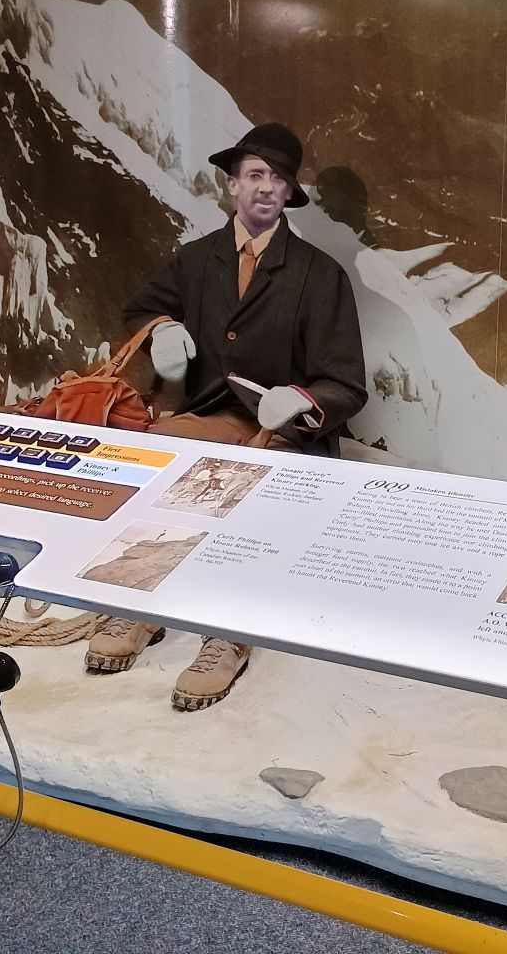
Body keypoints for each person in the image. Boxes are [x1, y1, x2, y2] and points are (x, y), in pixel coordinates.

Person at [85, 122, 368, 711]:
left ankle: (228, 631)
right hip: (211, 412)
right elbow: (141, 308)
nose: (266, 187)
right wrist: (162, 330)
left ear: (289, 192)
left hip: (284, 433)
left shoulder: (320, 275)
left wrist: (304, 400)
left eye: (278, 178)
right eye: (254, 174)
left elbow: (345, 383)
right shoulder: (197, 260)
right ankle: (141, 600)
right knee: (159, 452)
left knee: (253, 485)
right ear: (233, 185)